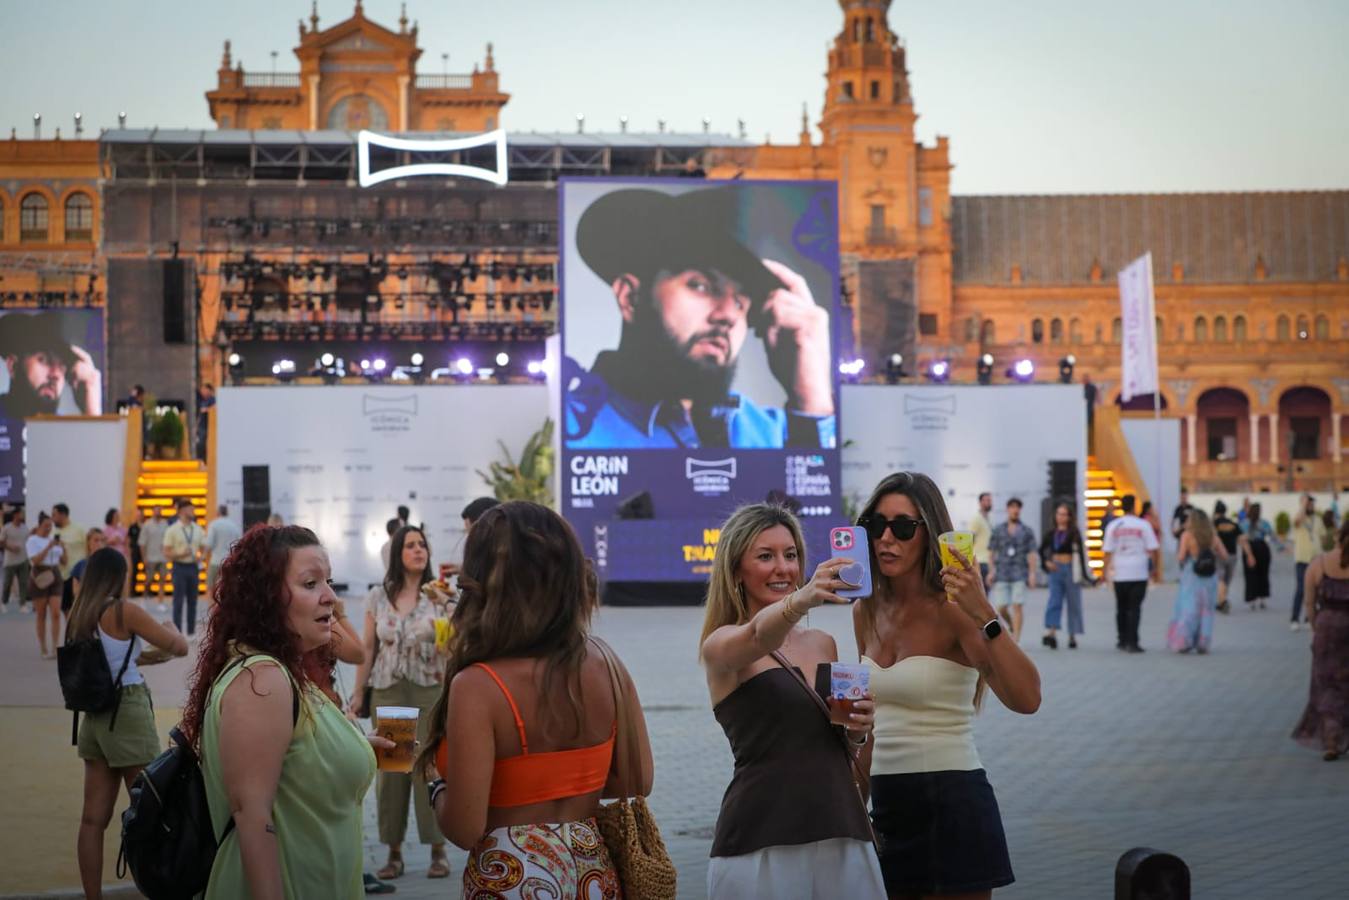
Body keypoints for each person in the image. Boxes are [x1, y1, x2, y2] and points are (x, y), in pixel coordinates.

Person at [419, 501, 652, 898]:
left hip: (510, 876)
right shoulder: (608, 663)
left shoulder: (478, 686)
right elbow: (637, 780)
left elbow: (464, 828)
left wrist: (436, 784)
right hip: (592, 870)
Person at [853, 472, 1041, 897]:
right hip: (888, 806)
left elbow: (1028, 698)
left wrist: (985, 614)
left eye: (902, 527)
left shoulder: (955, 610)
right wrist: (853, 803)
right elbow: (871, 725)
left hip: (952, 801)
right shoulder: (866, 609)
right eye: (875, 525)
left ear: (929, 534)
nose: (886, 538)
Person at [182, 523, 377, 898]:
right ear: (267, 597)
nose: (330, 598)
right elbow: (253, 818)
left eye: (328, 582)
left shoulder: (284, 669)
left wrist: (358, 748)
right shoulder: (263, 679)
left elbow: (294, 758)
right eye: (310, 584)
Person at [700, 502, 883, 898]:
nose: (783, 568)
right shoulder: (721, 643)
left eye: (791, 554)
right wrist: (801, 599)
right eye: (765, 556)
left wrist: (857, 730)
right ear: (736, 571)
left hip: (840, 828)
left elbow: (836, 739)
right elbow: (755, 639)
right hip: (761, 837)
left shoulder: (822, 643)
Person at [565, 187, 835, 450]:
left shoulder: (776, 435)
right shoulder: (568, 430)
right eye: (701, 286)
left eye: (741, 302)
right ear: (631, 297)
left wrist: (811, 398)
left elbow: (817, 489)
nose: (728, 315)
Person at [67, 547, 187, 898]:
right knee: (152, 811)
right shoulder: (123, 611)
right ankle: (162, 890)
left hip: (94, 717)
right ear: (118, 576)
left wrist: (144, 658)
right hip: (128, 713)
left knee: (92, 820)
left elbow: (108, 660)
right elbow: (178, 647)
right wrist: (172, 628)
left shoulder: (80, 612)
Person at [350, 525, 453, 880]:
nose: (418, 550)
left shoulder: (439, 595)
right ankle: (394, 852)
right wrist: (359, 693)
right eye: (410, 545)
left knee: (430, 768)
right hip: (389, 688)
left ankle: (438, 849)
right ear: (397, 554)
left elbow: (455, 644)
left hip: (429, 689)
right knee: (393, 772)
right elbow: (367, 647)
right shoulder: (379, 596)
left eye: (422, 544)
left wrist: (447, 617)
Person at [1291, 519, 1349, 761]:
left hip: (1326, 629)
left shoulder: (1319, 564)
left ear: (1338, 536)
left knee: (1326, 684)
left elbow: (1308, 601)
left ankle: (1331, 741)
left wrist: (1316, 625)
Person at [0, 311, 102, 417]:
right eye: (44, 360)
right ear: (13, 366)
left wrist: (92, 411)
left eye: (63, 365)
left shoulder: (64, 429)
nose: (55, 375)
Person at [1103, 494, 1161, 653]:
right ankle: (1133, 641)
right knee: (1134, 608)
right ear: (1134, 506)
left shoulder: (1113, 526)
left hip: (1120, 573)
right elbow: (1154, 549)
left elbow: (1107, 551)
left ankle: (1121, 640)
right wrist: (1155, 569)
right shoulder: (1143, 525)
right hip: (1139, 572)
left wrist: (1104, 571)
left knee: (1121, 607)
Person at [1167, 510, 1228, 654]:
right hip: (1209, 577)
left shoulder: (1187, 536)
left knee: (1189, 608)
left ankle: (1184, 641)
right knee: (1207, 610)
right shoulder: (1213, 537)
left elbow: (1181, 557)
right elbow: (1225, 556)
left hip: (1192, 575)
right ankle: (1203, 643)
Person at [1039, 502, 1096, 649]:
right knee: (1054, 601)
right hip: (1055, 569)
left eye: (1064, 514)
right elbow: (1041, 550)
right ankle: (1051, 632)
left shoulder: (1074, 533)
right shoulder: (1051, 533)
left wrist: (1086, 576)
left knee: (1074, 602)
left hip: (1071, 569)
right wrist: (1046, 562)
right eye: (1059, 514)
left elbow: (1082, 556)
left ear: (1070, 517)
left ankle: (1072, 635)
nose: (1061, 517)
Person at [985, 498, 1038, 642]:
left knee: (1017, 606)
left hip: (1020, 573)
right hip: (1002, 573)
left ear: (1020, 510)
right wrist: (991, 571)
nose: (1015, 510)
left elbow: (1032, 554)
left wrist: (1032, 573)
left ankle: (1016, 639)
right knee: (1001, 607)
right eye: (1012, 507)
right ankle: (1012, 625)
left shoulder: (1027, 531)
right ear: (1007, 509)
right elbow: (991, 552)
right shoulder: (998, 530)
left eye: (1018, 507)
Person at [162, 499, 204, 635]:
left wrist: (201, 556)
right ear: (181, 511)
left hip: (193, 567)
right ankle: (177, 633)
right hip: (178, 567)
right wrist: (180, 554)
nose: (193, 512)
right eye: (190, 509)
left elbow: (204, 547)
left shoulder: (198, 529)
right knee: (178, 601)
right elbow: (166, 552)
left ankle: (191, 633)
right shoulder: (172, 530)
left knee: (193, 601)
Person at [27, 512, 64, 657]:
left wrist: (63, 548)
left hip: (55, 573)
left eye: (50, 525)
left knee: (55, 613)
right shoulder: (33, 540)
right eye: (46, 525)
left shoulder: (53, 540)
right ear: (39, 525)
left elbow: (64, 561)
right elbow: (35, 561)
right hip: (40, 575)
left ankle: (55, 647)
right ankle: (43, 647)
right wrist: (49, 547)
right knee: (41, 614)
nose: (49, 528)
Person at [1291, 494, 1328, 631]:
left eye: (1311, 504)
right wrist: (1303, 505)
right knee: (1301, 589)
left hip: (1316, 559)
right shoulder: (1298, 517)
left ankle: (1309, 617)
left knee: (1317, 589)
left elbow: (1323, 538)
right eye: (1308, 504)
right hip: (1302, 559)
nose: (1310, 506)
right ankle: (1294, 618)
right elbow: (1297, 522)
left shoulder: (1318, 520)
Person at [1238, 503, 1277, 610]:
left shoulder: (1244, 523)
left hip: (1251, 547)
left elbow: (1240, 538)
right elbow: (1273, 536)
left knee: (1251, 574)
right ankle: (1262, 598)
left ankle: (1253, 599)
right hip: (1260, 547)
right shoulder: (1262, 523)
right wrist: (1281, 546)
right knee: (1262, 574)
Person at [53, 503, 87, 623]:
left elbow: (87, 548)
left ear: (63, 515)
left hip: (77, 576)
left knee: (79, 606)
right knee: (65, 608)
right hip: (60, 576)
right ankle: (71, 631)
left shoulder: (79, 530)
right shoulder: (53, 532)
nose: (53, 518)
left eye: (54, 515)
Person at [203, 505, 242, 600]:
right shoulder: (234, 526)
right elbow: (239, 544)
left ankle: (212, 612)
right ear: (227, 513)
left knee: (211, 587)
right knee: (229, 589)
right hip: (230, 561)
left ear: (218, 513)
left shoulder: (214, 524)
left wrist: (202, 556)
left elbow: (209, 543)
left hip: (215, 562)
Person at [1212, 500, 1241, 614]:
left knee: (1220, 578)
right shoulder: (1233, 524)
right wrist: (1249, 554)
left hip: (1219, 554)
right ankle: (1221, 601)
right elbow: (1242, 538)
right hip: (1233, 555)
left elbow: (1211, 538)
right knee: (1227, 580)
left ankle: (1222, 601)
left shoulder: (1214, 523)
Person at [138, 507, 169, 608]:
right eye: (156, 511)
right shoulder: (147, 525)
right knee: (148, 580)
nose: (158, 513)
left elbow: (168, 540)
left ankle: (160, 602)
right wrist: (144, 558)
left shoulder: (165, 524)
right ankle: (144, 598)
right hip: (151, 557)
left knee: (162, 580)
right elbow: (142, 542)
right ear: (153, 512)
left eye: (159, 511)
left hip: (163, 557)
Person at [2, 506, 30, 613]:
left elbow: (28, 540)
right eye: (21, 513)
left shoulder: (25, 528)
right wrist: (10, 547)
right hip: (10, 561)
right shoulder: (7, 527)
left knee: (23, 582)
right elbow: (1, 542)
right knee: (7, 583)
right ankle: (3, 602)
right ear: (15, 515)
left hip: (23, 559)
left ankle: (22, 604)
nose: (22, 515)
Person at [69, 528, 106, 599]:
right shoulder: (80, 565)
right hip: (86, 604)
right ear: (88, 542)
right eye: (96, 540)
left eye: (102, 540)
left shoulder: (111, 564)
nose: (100, 544)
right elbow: (76, 592)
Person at [970, 492, 993, 583]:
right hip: (979, 561)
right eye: (987, 500)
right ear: (980, 502)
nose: (989, 502)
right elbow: (970, 539)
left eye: (990, 500)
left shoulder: (988, 519)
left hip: (988, 561)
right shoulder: (976, 519)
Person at [127, 509, 143, 597]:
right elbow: (129, 540)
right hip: (135, 551)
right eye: (137, 515)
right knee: (134, 572)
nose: (139, 516)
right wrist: (129, 551)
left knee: (147, 571)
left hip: (144, 551)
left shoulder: (145, 526)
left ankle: (146, 591)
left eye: (140, 515)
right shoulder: (132, 527)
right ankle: (133, 591)